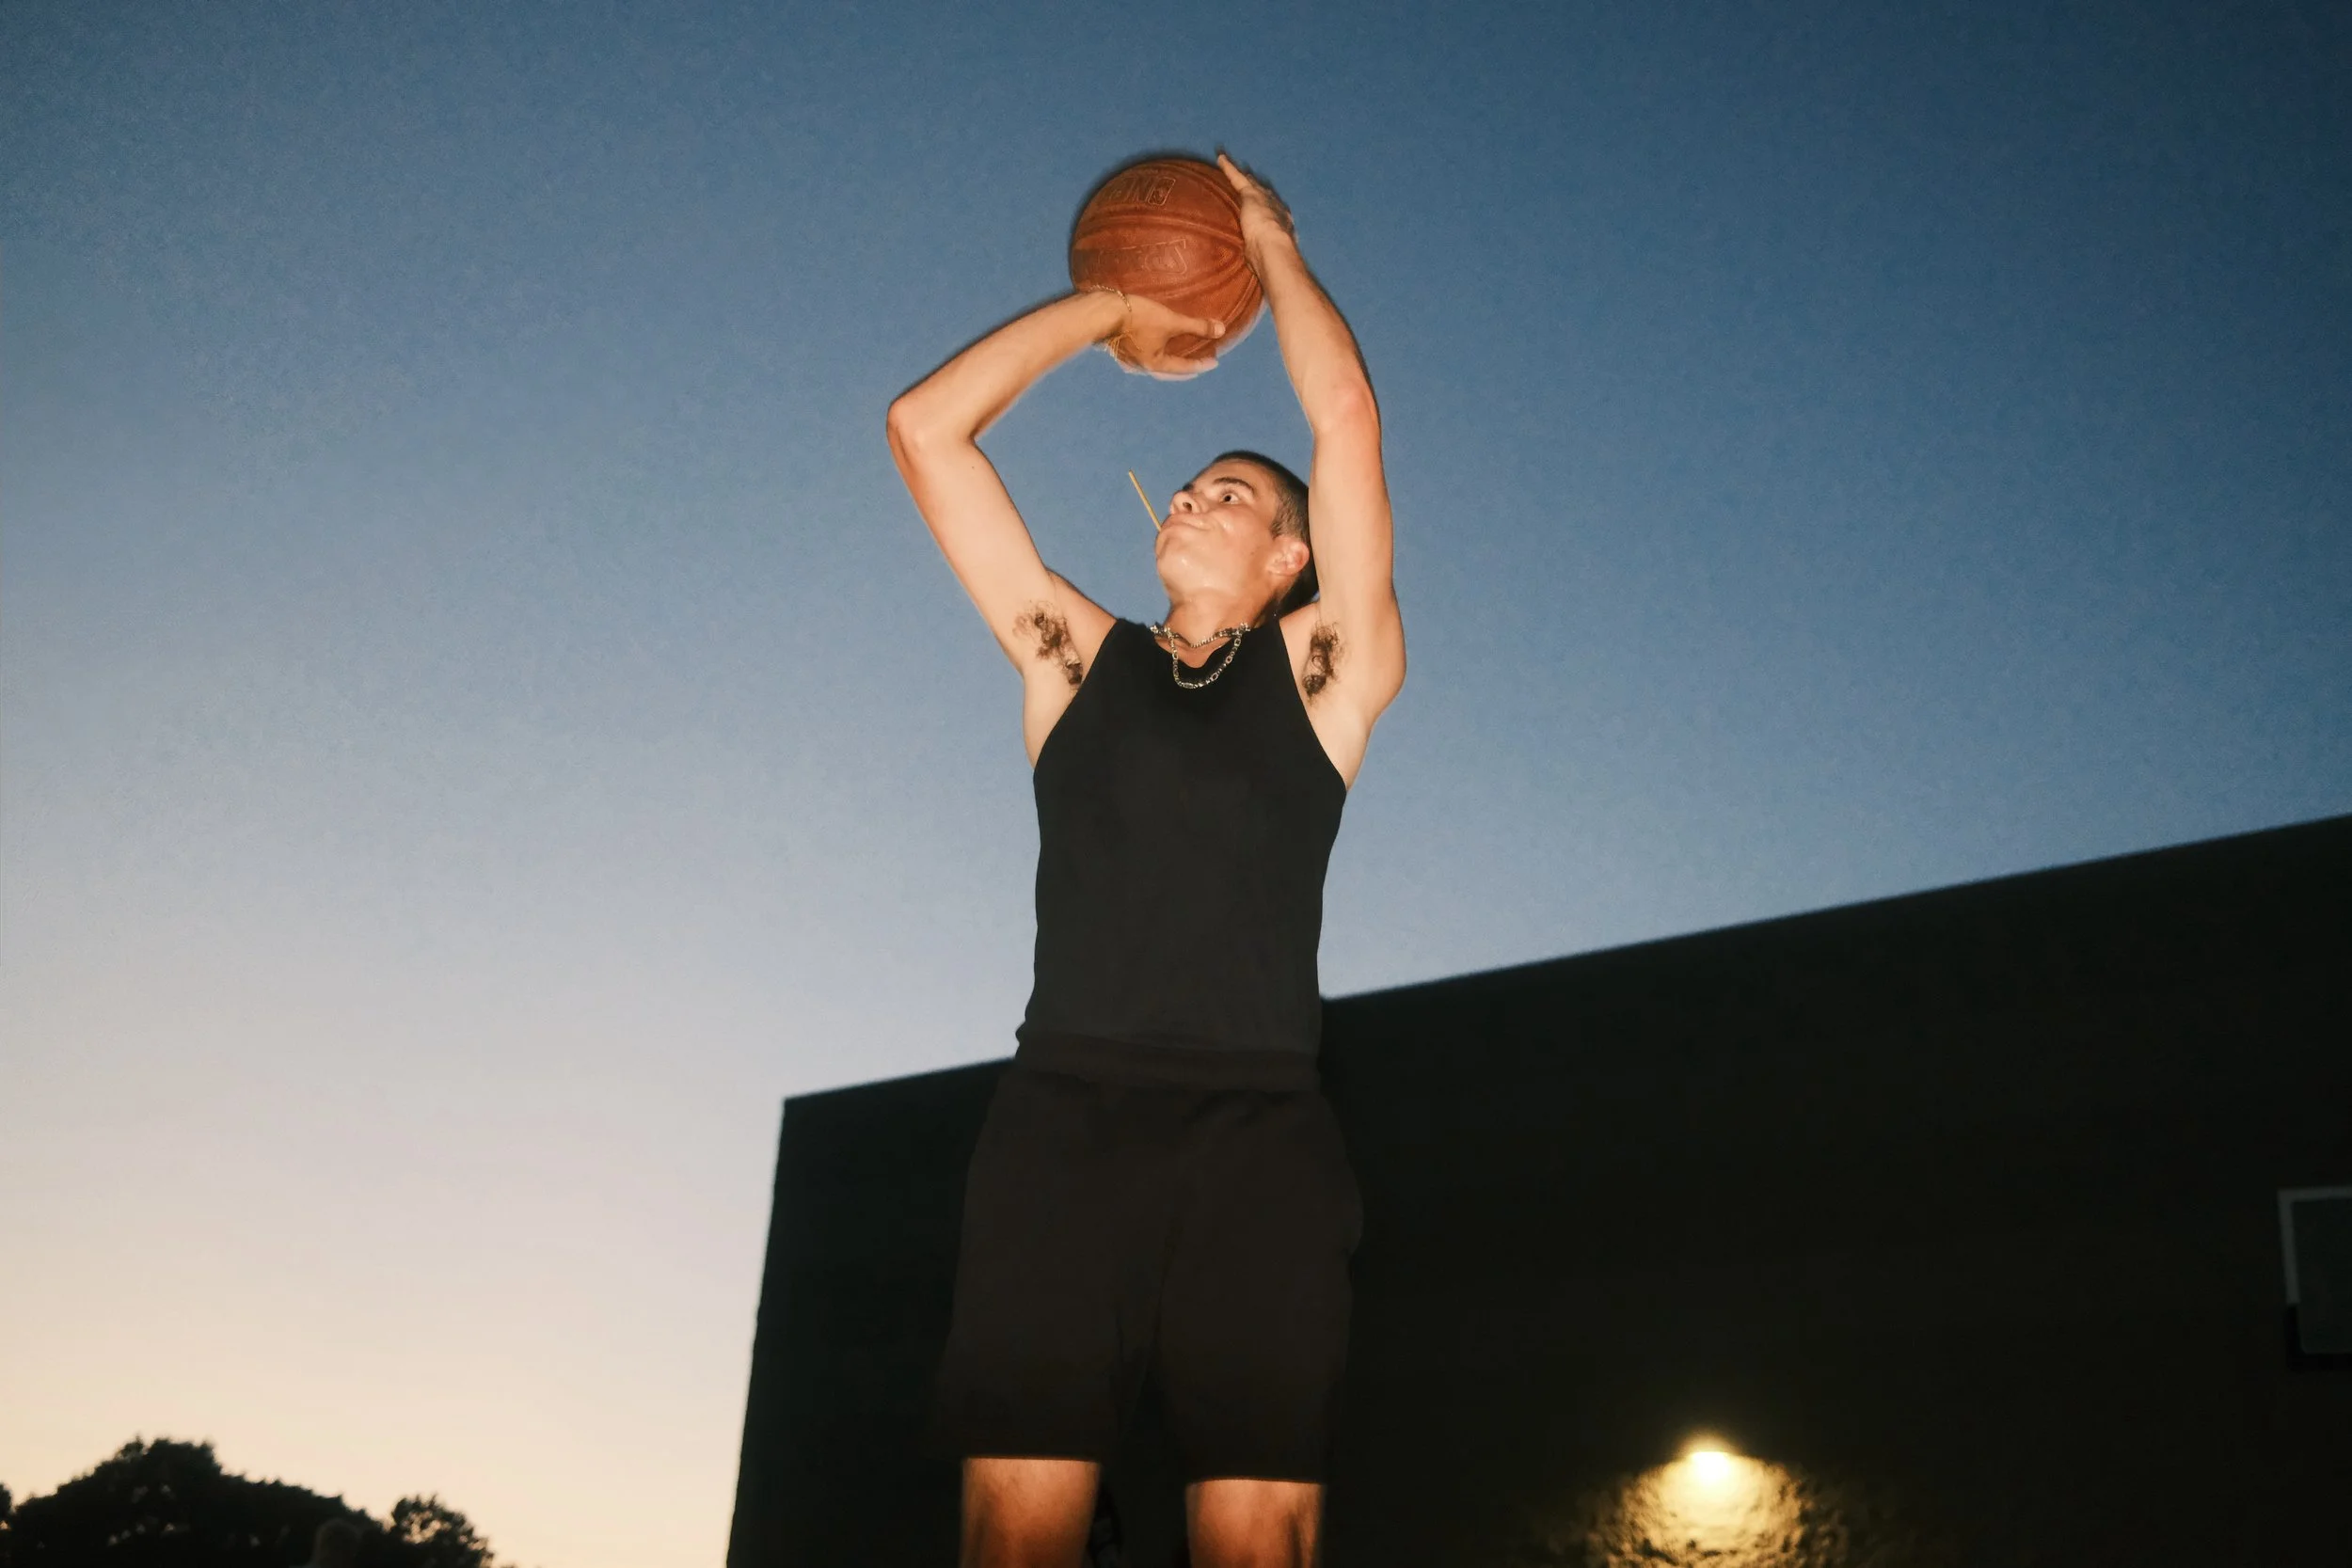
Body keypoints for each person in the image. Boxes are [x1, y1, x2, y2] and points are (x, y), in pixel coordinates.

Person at [886, 152, 1405, 1568]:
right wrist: (1110, 305)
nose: (1190, 498)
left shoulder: (1328, 675)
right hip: (1064, 1119)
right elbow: (929, 431)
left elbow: (1343, 414)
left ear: (1291, 558)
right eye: (1185, 483)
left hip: (1259, 1136)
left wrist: (1268, 252)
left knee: (1260, 1538)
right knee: (1015, 1533)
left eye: (1231, 495)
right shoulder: (1073, 662)